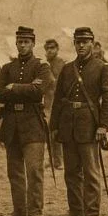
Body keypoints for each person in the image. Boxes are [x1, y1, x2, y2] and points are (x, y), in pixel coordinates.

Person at [50, 27, 108, 216]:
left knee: (91, 171)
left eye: (85, 42)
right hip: (68, 125)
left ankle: (92, 213)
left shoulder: (102, 67)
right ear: (74, 43)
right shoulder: (67, 68)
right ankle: (76, 210)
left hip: (89, 125)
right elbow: (59, 99)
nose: (81, 45)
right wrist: (54, 125)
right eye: (78, 42)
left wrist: (103, 125)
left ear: (92, 43)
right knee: (71, 172)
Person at [0, 26, 53, 216]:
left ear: (33, 43)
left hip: (33, 125)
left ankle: (35, 211)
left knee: (34, 170)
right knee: (14, 171)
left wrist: (13, 88)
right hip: (12, 125)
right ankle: (19, 210)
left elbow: (38, 91)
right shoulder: (7, 68)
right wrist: (21, 90)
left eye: (26, 42)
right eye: (19, 42)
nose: (22, 45)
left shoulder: (41, 67)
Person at [43, 39, 66, 169]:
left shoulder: (61, 64)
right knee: (49, 132)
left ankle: (59, 161)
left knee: (57, 132)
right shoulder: (45, 64)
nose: (50, 51)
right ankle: (52, 160)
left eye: (52, 48)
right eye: (47, 48)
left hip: (59, 102)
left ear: (57, 49)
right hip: (47, 102)